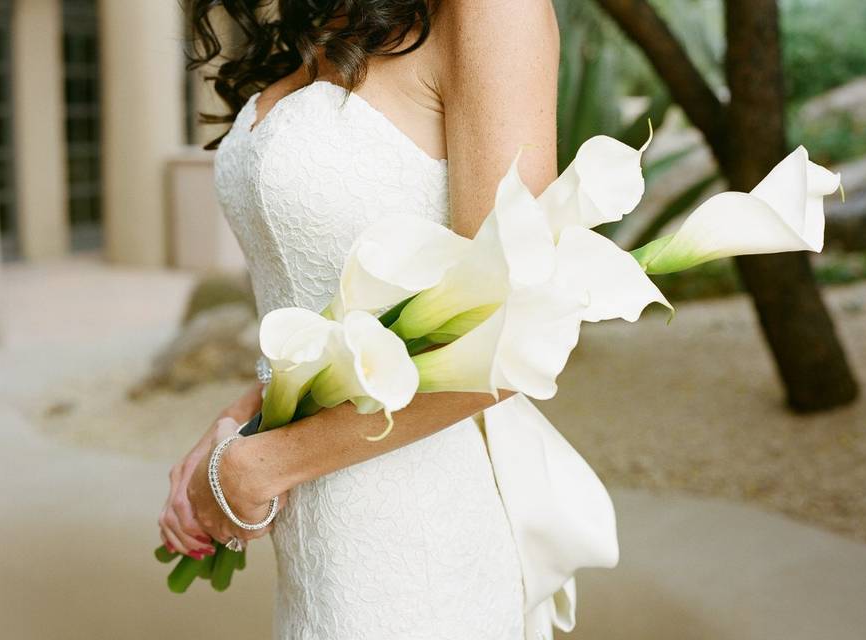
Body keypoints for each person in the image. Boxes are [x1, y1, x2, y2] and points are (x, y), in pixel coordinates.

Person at [159, 2, 614, 637]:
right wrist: (244, 422)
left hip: (422, 538)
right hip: (318, 547)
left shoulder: (486, 12)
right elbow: (334, 317)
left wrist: (261, 465)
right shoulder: (321, 17)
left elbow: (517, 325)